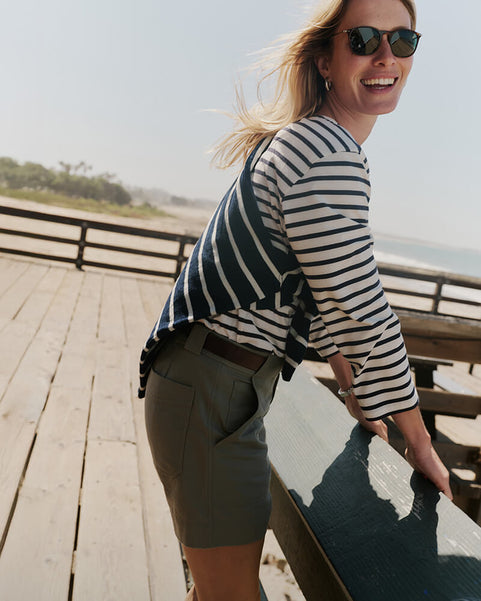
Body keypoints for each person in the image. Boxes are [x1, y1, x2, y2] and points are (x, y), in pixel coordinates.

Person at [139, 0, 453, 599]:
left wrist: (360, 395)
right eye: (363, 39)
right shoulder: (324, 152)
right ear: (326, 60)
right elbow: (361, 307)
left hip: (216, 385)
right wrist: (420, 442)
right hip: (212, 391)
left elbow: (324, 295)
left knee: (216, 590)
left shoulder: (312, 143)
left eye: (403, 41)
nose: (386, 55)